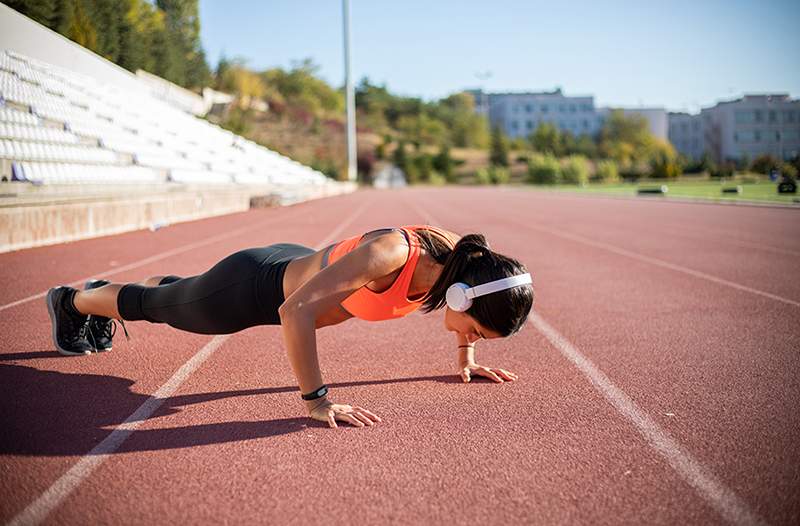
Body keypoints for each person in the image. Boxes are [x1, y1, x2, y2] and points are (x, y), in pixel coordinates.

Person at [46, 225, 535, 428]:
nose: (468, 336)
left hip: (293, 267)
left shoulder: (462, 263)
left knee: (175, 296)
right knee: (155, 307)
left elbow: (467, 319)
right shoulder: (395, 254)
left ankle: (171, 288)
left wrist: (467, 357)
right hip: (254, 289)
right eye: (475, 331)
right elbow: (294, 312)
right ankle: (73, 300)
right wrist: (317, 401)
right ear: (460, 295)